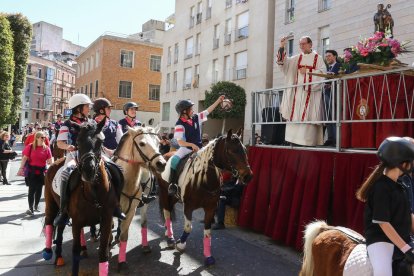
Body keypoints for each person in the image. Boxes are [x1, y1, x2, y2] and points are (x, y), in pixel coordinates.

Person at [53, 94, 126, 226]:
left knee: (117, 169)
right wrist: (68, 146)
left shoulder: (92, 123)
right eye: (87, 106)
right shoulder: (66, 124)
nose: (89, 109)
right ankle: (63, 212)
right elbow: (59, 143)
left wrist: (107, 150)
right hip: (74, 155)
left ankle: (116, 206)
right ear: (78, 107)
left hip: (93, 155)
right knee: (65, 174)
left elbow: (97, 140)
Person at [356, 137, 414, 275]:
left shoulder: (403, 185)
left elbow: (409, 215)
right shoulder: (381, 188)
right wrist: (406, 248)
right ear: (403, 164)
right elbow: (383, 224)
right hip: (381, 241)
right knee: (384, 273)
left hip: (402, 237)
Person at [168, 96, 225, 197]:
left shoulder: (196, 117)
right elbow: (180, 142)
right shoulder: (179, 125)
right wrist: (191, 144)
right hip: (185, 149)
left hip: (199, 148)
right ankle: (173, 184)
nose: (193, 110)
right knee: (174, 161)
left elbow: (208, 111)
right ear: (184, 111)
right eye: (191, 108)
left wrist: (218, 100)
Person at [277, 36, 326, 146]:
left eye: (304, 43)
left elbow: (323, 74)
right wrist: (282, 46)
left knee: (308, 120)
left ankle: (308, 142)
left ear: (310, 44)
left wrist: (307, 71)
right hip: (296, 94)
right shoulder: (296, 58)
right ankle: (293, 141)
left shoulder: (318, 58)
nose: (302, 46)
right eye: (300, 44)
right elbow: (283, 64)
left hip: (311, 95)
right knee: (294, 115)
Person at [18, 131, 53, 216]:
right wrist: (21, 168)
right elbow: (24, 158)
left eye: (44, 137)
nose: (43, 139)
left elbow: (50, 160)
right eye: (42, 137)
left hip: (42, 172)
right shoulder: (30, 147)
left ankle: (36, 206)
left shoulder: (46, 148)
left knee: (39, 189)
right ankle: (30, 208)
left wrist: (50, 165)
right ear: (37, 138)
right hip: (32, 172)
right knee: (31, 190)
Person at [323, 50, 341, 147]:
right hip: (326, 93)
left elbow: (340, 77)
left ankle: (336, 139)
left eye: (329, 56)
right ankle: (330, 138)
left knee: (334, 116)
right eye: (326, 56)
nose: (327, 58)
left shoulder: (339, 66)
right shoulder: (326, 68)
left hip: (334, 94)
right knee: (328, 117)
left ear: (335, 56)